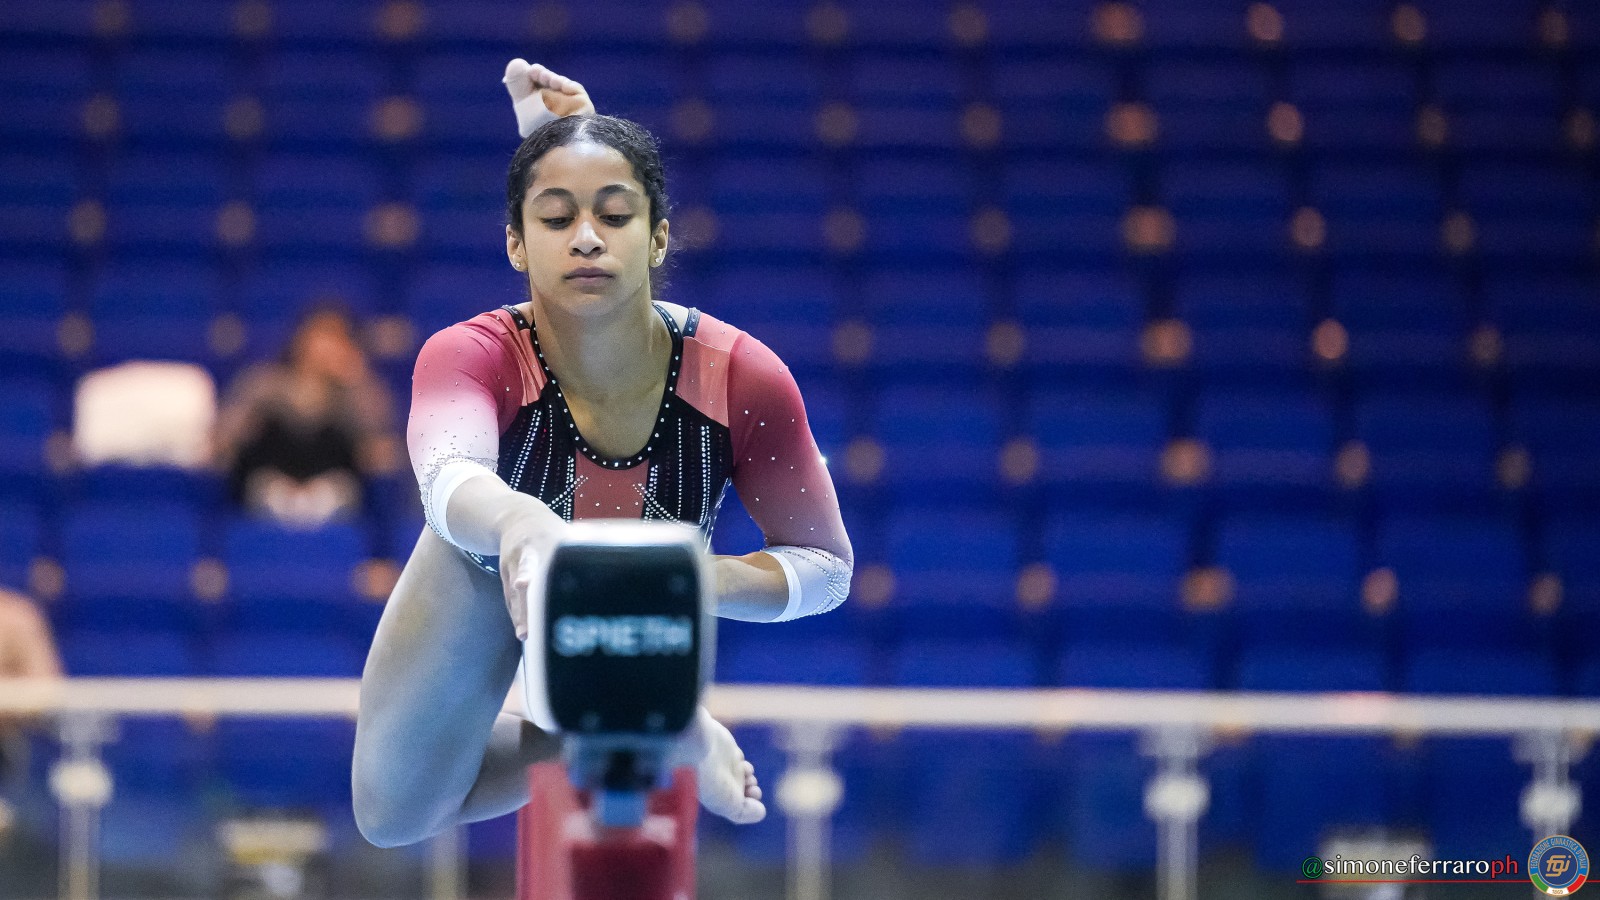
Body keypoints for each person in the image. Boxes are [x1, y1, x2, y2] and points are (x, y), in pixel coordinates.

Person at [352, 62, 854, 848]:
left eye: (616, 216)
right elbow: (448, 474)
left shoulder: (741, 375)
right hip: (491, 569)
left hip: (644, 614)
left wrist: (677, 579)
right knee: (393, 815)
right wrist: (518, 523)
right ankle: (659, 725)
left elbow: (828, 569)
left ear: (659, 237)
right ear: (515, 244)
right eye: (555, 219)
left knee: (616, 588)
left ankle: (646, 716)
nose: (587, 237)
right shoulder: (471, 353)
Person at [214, 305, 401, 528]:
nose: (326, 347)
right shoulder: (264, 383)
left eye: (336, 338)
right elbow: (225, 441)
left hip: (333, 491)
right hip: (271, 487)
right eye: (320, 336)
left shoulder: (357, 390)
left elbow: (379, 452)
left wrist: (356, 380)